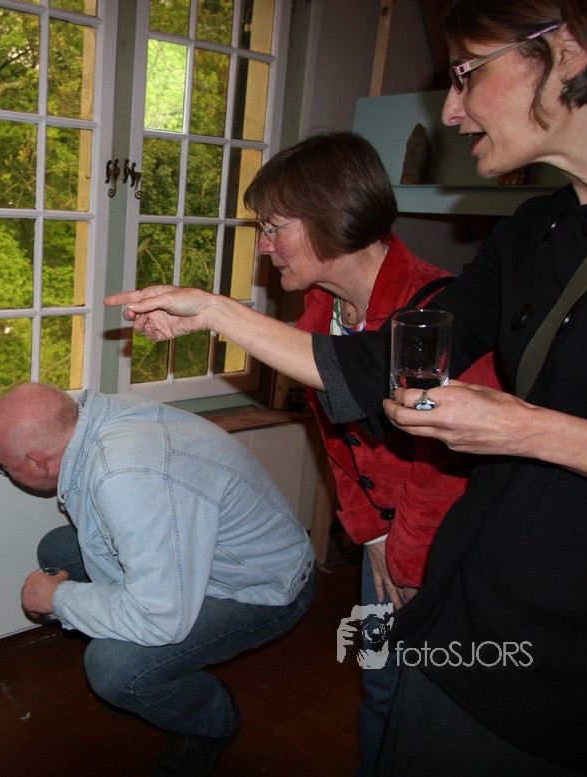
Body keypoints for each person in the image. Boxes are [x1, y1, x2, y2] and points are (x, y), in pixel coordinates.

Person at [105, 1, 587, 774]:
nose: (451, 111)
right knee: (388, 701)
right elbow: (365, 373)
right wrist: (214, 311)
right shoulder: (532, 231)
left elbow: (444, 459)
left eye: (466, 74)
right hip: (478, 583)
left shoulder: (440, 281)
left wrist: (524, 431)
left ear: (570, 50)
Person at [238, 129, 502, 777]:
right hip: (387, 542)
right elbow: (337, 439)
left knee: (432, 700)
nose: (264, 245)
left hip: (444, 550)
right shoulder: (321, 314)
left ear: (329, 215)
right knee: (380, 684)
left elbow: (446, 468)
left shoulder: (439, 313)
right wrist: (371, 535)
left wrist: (404, 555)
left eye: (273, 227)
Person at [0, 384, 315, 776]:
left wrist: (58, 600)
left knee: (114, 669)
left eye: (6, 464)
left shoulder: (127, 479)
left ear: (38, 462)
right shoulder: (87, 418)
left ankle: (210, 719)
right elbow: (32, 450)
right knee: (59, 551)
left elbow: (160, 616)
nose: (3, 466)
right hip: (197, 555)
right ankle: (149, 671)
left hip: (260, 586)